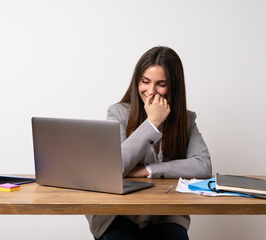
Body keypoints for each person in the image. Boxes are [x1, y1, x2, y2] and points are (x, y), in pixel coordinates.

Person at [85, 46, 212, 240]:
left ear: (174, 86)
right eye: (145, 82)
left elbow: (202, 166)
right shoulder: (118, 113)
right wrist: (152, 123)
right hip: (118, 213)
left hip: (164, 213)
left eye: (160, 84)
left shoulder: (186, 119)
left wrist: (148, 170)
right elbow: (115, 166)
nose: (150, 91)